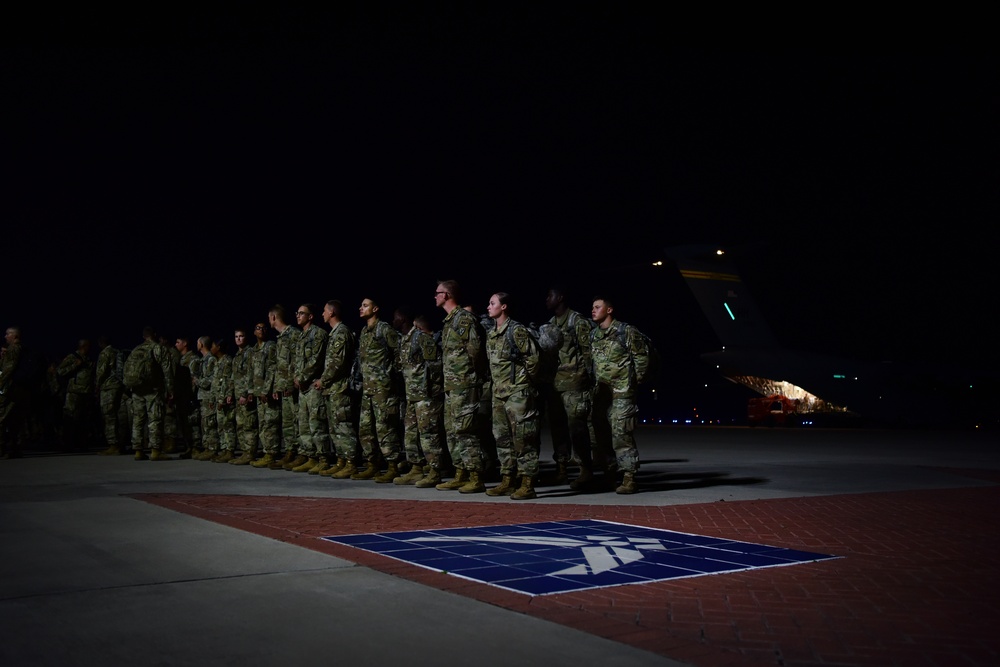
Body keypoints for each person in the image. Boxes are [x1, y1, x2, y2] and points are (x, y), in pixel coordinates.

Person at [484, 292, 543, 499]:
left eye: (492, 303)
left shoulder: (516, 330)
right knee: (502, 439)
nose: (488, 306)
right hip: (499, 394)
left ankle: (527, 483)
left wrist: (523, 382)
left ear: (504, 307)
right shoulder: (492, 333)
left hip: (517, 393)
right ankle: (507, 480)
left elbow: (533, 359)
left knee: (524, 439)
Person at [590, 295, 649, 494]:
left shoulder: (626, 331)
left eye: (598, 307)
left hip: (622, 392)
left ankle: (629, 477)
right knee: (600, 434)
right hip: (602, 393)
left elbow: (641, 359)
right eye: (593, 307)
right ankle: (609, 474)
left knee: (621, 433)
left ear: (609, 310)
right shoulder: (594, 335)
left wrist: (633, 383)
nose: (593, 310)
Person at [434, 280, 489, 492]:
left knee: (466, 430)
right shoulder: (449, 321)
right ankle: (461, 472)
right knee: (452, 430)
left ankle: (476, 476)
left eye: (438, 293)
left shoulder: (463, 319)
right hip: (452, 385)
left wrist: (472, 376)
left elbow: (475, 350)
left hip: (464, 384)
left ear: (447, 295)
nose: (435, 296)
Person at [544, 286, 597, 489]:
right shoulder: (551, 324)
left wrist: (588, 379)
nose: (547, 299)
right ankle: (562, 470)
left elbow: (589, 353)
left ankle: (586, 471)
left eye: (550, 295)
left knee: (577, 429)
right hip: (556, 385)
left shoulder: (577, 321)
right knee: (558, 429)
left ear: (560, 297)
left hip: (575, 384)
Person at [350, 297, 403, 482]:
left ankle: (392, 466)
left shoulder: (384, 329)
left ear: (375, 309)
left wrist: (390, 375)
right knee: (365, 429)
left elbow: (399, 352)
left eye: (365, 305)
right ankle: (372, 464)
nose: (361, 308)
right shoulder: (365, 331)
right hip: (368, 389)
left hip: (383, 389)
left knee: (385, 427)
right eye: (361, 305)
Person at [397, 313, 446, 486]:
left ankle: (435, 471)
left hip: (425, 395)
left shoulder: (422, 338)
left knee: (428, 434)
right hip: (412, 395)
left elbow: (435, 365)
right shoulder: (406, 340)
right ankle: (416, 469)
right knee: (410, 434)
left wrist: (430, 390)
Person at [315, 300, 361, 479]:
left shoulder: (342, 333)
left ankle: (351, 463)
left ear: (332, 312)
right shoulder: (334, 333)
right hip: (332, 388)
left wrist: (323, 380)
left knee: (343, 426)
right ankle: (341, 460)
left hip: (340, 388)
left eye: (324, 311)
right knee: (335, 427)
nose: (322, 314)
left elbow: (337, 363)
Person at [289, 303, 328, 472]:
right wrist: (295, 378)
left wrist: (302, 377)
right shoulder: (301, 336)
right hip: (302, 387)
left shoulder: (318, 334)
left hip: (313, 386)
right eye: (297, 313)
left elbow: (316, 360)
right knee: (303, 423)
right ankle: (310, 456)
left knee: (316, 423)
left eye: (301, 313)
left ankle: (323, 458)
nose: (298, 316)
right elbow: (297, 361)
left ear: (310, 316)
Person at [127, 326, 175, 461]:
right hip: (153, 389)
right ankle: (155, 451)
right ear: (155, 335)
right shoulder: (158, 348)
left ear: (143, 336)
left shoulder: (136, 349)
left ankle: (138, 451)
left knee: (137, 419)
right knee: (154, 419)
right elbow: (167, 371)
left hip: (137, 389)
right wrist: (170, 390)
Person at [268, 304, 301, 469]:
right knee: (287, 422)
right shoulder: (281, 338)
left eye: (269, 317)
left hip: (293, 387)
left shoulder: (293, 334)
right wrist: (277, 386)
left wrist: (290, 384)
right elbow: (279, 365)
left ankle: (301, 453)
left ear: (273, 317)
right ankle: (290, 451)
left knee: (296, 420)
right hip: (283, 388)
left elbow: (297, 360)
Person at [249, 321, 281, 469]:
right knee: (262, 423)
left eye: (263, 328)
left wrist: (266, 390)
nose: (260, 330)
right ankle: (266, 451)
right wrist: (251, 391)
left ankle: (271, 454)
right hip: (258, 392)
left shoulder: (270, 346)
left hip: (267, 393)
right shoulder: (254, 350)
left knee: (270, 423)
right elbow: (251, 372)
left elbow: (272, 369)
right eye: (258, 328)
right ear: (254, 332)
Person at [56, 338, 96, 451]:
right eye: (88, 346)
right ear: (83, 346)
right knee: (70, 418)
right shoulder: (72, 357)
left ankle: (81, 442)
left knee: (83, 419)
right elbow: (60, 371)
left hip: (86, 393)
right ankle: (67, 443)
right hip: (74, 392)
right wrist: (75, 365)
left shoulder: (89, 359)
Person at [228, 327, 259, 465]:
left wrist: (246, 393)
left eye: (241, 336)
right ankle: (244, 451)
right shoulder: (237, 356)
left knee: (249, 425)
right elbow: (234, 377)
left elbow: (251, 374)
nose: (238, 339)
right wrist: (231, 393)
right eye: (236, 336)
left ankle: (250, 453)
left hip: (245, 395)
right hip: (237, 395)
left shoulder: (250, 352)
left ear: (246, 337)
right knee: (240, 425)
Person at [95, 334, 128, 455]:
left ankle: (113, 445)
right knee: (118, 416)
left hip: (108, 387)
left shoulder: (105, 353)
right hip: (119, 386)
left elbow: (101, 371)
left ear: (100, 343)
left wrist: (97, 385)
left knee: (109, 415)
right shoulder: (118, 352)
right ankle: (121, 443)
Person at [0, 326, 29, 459]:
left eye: (8, 334)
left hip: (9, 390)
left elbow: (8, 370)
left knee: (3, 418)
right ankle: (15, 448)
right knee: (15, 420)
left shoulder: (13, 349)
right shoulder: (22, 349)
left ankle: (3, 448)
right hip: (19, 389)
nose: (5, 336)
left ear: (15, 336)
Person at [192, 336, 219, 460]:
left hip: (209, 396)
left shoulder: (211, 360)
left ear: (201, 344)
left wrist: (196, 381)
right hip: (203, 396)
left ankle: (212, 448)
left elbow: (210, 380)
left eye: (198, 343)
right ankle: (207, 447)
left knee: (210, 423)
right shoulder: (203, 360)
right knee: (205, 424)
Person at [174, 336, 201, 459]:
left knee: (193, 422)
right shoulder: (181, 359)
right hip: (182, 396)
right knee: (185, 424)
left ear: (185, 344)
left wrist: (191, 396)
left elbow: (194, 379)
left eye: (178, 342)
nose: (176, 345)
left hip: (190, 396)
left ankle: (195, 448)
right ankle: (189, 447)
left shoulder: (193, 359)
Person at [211, 337, 236, 462]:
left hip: (225, 399)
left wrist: (222, 399)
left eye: (213, 346)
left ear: (219, 347)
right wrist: (213, 399)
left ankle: (230, 450)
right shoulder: (218, 361)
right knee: (221, 425)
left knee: (227, 424)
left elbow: (227, 382)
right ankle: (224, 449)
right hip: (218, 398)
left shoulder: (227, 361)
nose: (211, 348)